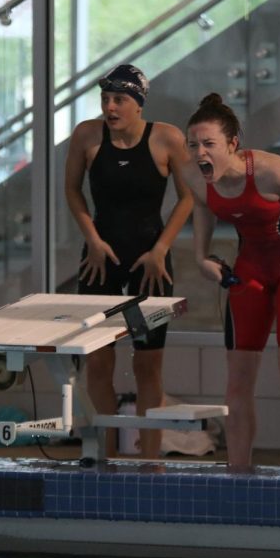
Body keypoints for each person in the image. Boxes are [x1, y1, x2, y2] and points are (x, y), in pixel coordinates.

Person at [182, 93, 280, 469]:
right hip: (250, 269)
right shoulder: (194, 176)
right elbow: (202, 207)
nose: (200, 152)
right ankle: (238, 472)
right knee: (236, 381)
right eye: (193, 144)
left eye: (209, 144)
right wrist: (201, 256)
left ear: (233, 144)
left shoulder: (267, 170)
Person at [64, 64, 193, 459]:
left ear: (138, 104)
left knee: (147, 365)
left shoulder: (166, 138)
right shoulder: (87, 135)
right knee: (98, 364)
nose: (110, 107)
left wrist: (161, 249)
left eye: (119, 99)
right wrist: (93, 240)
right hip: (100, 261)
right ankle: (106, 454)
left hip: (148, 267)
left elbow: (189, 196)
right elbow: (71, 190)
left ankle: (151, 458)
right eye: (105, 99)